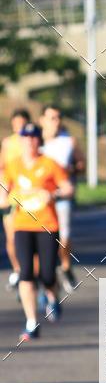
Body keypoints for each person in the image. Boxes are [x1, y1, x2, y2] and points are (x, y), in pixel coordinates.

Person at [0, 122, 73, 341]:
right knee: (26, 274)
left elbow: (68, 188)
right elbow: (4, 191)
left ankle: (52, 294)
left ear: (39, 140)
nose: (30, 141)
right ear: (21, 140)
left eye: (34, 137)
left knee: (47, 274)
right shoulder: (13, 165)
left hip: (47, 225)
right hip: (22, 225)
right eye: (26, 137)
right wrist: (6, 199)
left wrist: (53, 194)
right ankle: (31, 322)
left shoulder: (49, 163)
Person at [39, 104, 85, 293]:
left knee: (64, 237)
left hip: (62, 196)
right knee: (43, 238)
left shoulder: (68, 141)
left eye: (58, 118)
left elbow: (82, 165)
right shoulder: (35, 142)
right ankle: (45, 278)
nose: (56, 122)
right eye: (52, 118)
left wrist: (69, 169)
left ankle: (65, 267)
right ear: (42, 120)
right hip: (41, 200)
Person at [0, 108, 31, 289]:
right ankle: (18, 270)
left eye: (22, 124)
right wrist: (2, 194)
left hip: (32, 200)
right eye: (16, 124)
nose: (19, 127)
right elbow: (2, 169)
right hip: (12, 197)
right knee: (12, 238)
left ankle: (32, 273)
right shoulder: (8, 143)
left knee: (31, 238)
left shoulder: (33, 142)